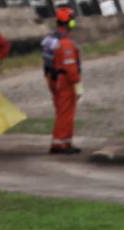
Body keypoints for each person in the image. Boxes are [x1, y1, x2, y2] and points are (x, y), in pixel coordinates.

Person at [43, 6, 81, 155]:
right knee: (66, 112)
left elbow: (46, 62)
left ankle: (63, 142)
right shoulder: (65, 43)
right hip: (65, 81)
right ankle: (61, 143)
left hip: (53, 79)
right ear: (68, 23)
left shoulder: (48, 39)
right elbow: (70, 66)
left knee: (61, 111)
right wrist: (77, 83)